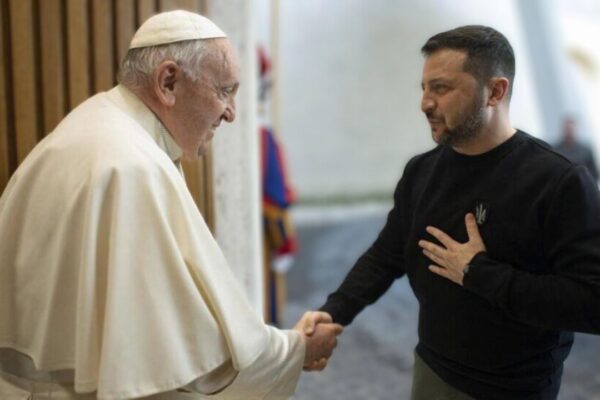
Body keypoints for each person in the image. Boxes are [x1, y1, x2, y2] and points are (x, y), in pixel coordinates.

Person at [0, 10, 342, 400]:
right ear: (168, 82)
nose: (231, 113)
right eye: (225, 91)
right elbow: (193, 363)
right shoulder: (132, 167)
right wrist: (296, 350)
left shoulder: (91, 125)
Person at [318, 25, 600, 399]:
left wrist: (479, 273)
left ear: (495, 92)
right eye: (424, 88)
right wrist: (334, 313)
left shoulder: (558, 181)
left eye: (442, 88)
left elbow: (591, 302)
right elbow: (386, 255)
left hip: (514, 389)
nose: (425, 103)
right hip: (432, 371)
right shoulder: (421, 171)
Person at [554, 116, 599, 183]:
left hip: (584, 186)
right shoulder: (555, 150)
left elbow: (594, 173)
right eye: (567, 130)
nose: (569, 133)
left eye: (571, 130)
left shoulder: (586, 150)